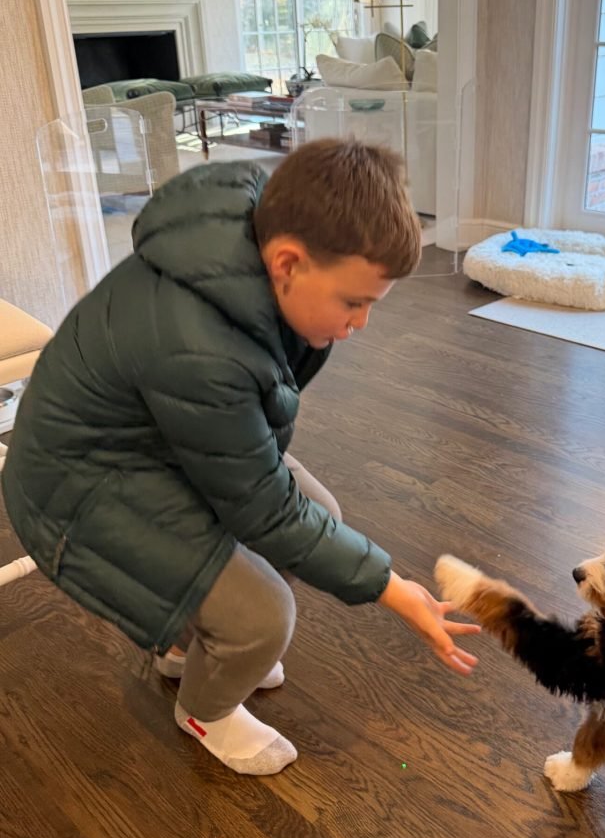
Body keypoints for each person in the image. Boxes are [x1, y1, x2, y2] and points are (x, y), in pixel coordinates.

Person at [2, 141, 479, 776]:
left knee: (321, 513)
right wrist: (393, 589)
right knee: (262, 616)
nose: (362, 323)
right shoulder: (199, 348)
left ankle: (194, 646)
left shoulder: (257, 262)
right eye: (353, 302)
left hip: (147, 445)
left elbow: (254, 470)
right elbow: (264, 509)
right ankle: (205, 708)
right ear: (286, 262)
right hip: (74, 485)